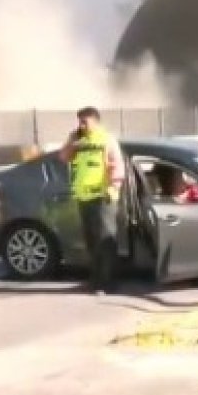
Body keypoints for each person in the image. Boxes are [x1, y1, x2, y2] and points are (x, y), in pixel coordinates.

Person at [59, 106, 125, 294]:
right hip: (84, 197)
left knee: (105, 242)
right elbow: (63, 157)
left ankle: (109, 283)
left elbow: (117, 166)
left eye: (84, 121)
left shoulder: (106, 140)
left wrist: (113, 187)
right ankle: (95, 281)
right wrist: (72, 141)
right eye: (79, 121)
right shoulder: (78, 141)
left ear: (95, 121)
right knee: (91, 242)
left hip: (103, 197)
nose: (81, 124)